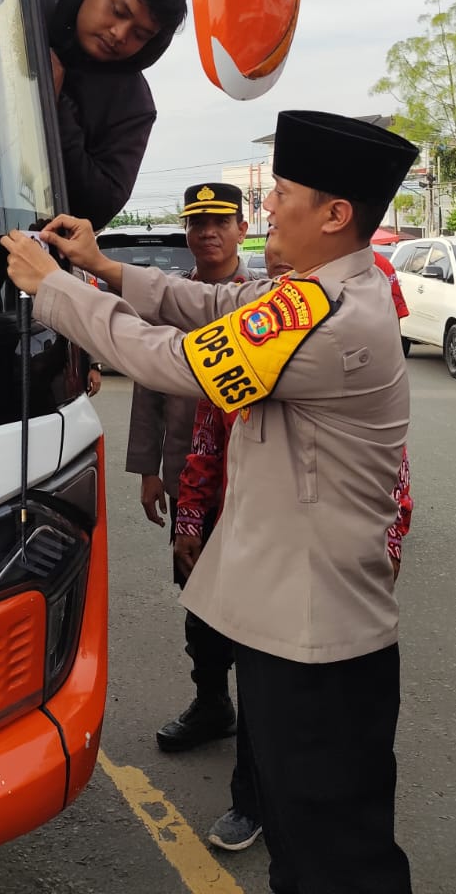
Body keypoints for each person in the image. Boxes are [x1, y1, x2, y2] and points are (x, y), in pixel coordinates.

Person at [2, 110, 419, 894]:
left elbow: (174, 360)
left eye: (283, 193)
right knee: (307, 840)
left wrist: (55, 289)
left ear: (335, 216)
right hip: (296, 624)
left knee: (337, 853)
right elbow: (215, 307)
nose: (267, 210)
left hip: (315, 639)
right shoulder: (313, 293)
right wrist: (106, 267)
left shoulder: (331, 319)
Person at [177, 233, 416, 853]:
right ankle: (255, 799)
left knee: (306, 714)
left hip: (312, 561)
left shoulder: (347, 323)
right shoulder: (255, 322)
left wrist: (387, 545)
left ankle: (268, 806)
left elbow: (393, 472)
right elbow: (208, 432)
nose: (276, 248)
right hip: (243, 535)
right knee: (251, 682)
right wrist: (192, 519)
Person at [127, 182, 251, 752]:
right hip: (188, 478)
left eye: (220, 221)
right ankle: (211, 702)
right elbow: (150, 383)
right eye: (198, 224)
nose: (208, 233)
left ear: (241, 229)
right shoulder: (171, 299)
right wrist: (149, 469)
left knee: (251, 605)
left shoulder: (265, 297)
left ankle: (259, 721)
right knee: (196, 592)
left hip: (253, 483)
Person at [41, 0, 188, 229]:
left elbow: (99, 207)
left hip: (36, 247)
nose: (120, 34)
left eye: (141, 34)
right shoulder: (23, 12)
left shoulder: (134, 106)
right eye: (119, 11)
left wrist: (54, 105)